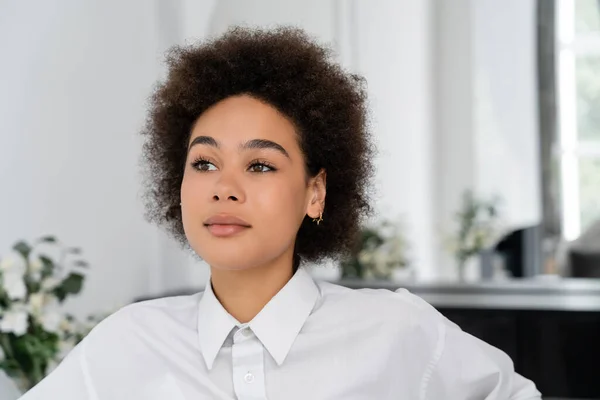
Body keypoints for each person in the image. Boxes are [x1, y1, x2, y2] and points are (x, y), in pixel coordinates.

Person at [19, 26, 541, 400]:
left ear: (315, 193)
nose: (223, 188)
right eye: (204, 162)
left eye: (261, 165)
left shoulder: (397, 332)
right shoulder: (126, 342)